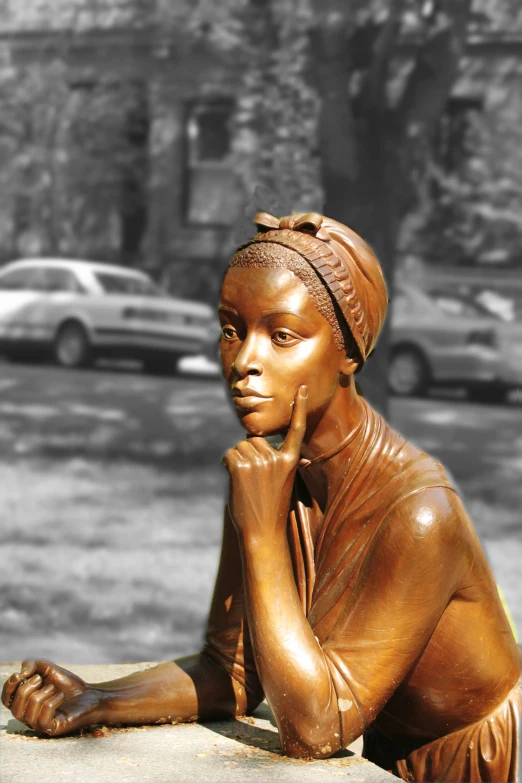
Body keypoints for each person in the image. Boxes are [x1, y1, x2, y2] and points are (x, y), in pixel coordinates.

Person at [2, 212, 520, 783]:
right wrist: (96, 701)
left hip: (478, 762)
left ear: (349, 353)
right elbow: (234, 669)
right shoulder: (267, 474)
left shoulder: (422, 512)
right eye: (231, 330)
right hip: (382, 753)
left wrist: (262, 531)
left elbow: (315, 730)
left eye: (282, 335)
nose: (244, 361)